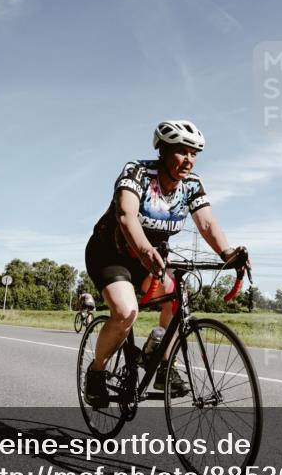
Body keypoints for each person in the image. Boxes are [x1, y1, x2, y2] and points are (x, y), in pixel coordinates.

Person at [84, 120, 249, 406]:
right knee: (125, 312)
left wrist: (227, 253)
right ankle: (96, 372)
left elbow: (206, 224)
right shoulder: (137, 172)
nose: (189, 160)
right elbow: (126, 215)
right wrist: (145, 250)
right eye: (182, 151)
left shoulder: (191, 185)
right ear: (163, 151)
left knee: (177, 301)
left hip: (152, 259)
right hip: (111, 254)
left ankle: (162, 364)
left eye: (194, 154)